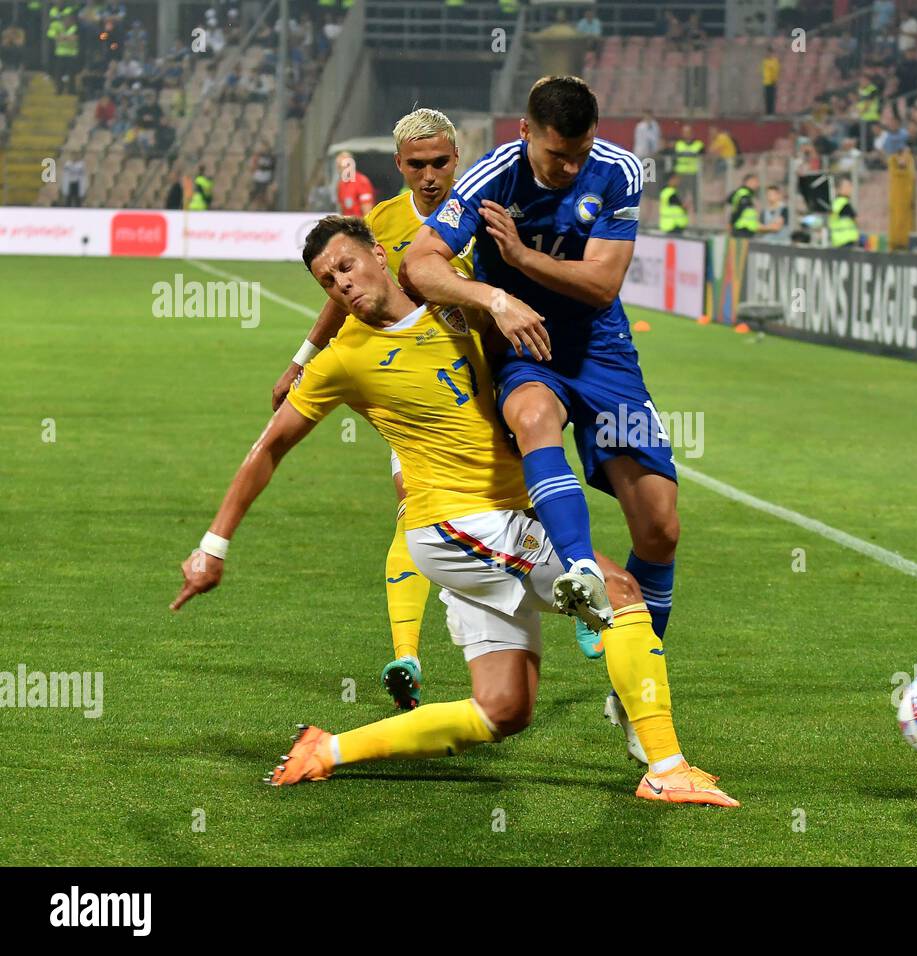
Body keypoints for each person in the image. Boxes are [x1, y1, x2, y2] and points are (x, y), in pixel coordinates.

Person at [170, 215, 738, 808]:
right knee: (618, 591)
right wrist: (213, 548)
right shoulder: (343, 360)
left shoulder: (454, 296)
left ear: (378, 255)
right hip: (461, 524)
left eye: (346, 265)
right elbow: (269, 449)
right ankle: (666, 769)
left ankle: (327, 750)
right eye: (326, 280)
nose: (340, 284)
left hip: (492, 522)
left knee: (504, 711)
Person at [400, 77, 680, 763]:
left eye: (580, 153)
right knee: (529, 414)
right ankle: (580, 568)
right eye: (559, 157)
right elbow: (418, 263)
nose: (571, 169)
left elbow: (603, 284)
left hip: (605, 353)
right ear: (527, 133)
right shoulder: (494, 174)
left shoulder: (619, 170)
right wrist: (497, 298)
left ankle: (633, 679)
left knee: (660, 527)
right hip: (530, 349)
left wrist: (522, 258)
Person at [269, 109, 469, 711]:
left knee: (521, 496)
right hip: (406, 384)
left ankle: (585, 590)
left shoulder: (485, 209)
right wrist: (303, 359)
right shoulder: (380, 222)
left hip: (482, 379)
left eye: (439, 163)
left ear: (456, 158)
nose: (429, 176)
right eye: (415, 165)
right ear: (399, 166)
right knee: (414, 503)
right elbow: (342, 295)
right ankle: (405, 652)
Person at [335, 150, 375, 217]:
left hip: (358, 225)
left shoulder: (362, 182)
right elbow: (342, 209)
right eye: (339, 167)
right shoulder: (341, 184)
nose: (340, 170)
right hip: (347, 225)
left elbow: (367, 211)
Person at [829, 175, 861, 248]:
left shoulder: (835, 203)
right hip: (847, 240)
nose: (851, 189)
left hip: (837, 241)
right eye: (848, 186)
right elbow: (856, 220)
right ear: (841, 189)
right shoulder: (844, 203)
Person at [762, 43, 780, 116]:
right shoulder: (765, 61)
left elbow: (776, 71)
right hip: (766, 82)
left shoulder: (774, 61)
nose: (768, 54)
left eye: (769, 52)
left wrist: (774, 80)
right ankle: (767, 113)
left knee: (771, 98)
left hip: (772, 82)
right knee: (767, 98)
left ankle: (771, 113)